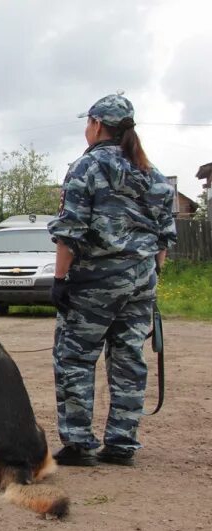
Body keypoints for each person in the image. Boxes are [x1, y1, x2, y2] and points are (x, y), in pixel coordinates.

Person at [48, 94, 177, 467]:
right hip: (141, 282)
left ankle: (78, 443)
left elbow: (69, 231)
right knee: (128, 360)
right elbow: (164, 238)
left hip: (94, 282)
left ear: (97, 124)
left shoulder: (86, 168)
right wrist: (150, 278)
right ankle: (122, 443)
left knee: (74, 357)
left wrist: (59, 279)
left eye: (87, 123)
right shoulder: (150, 173)